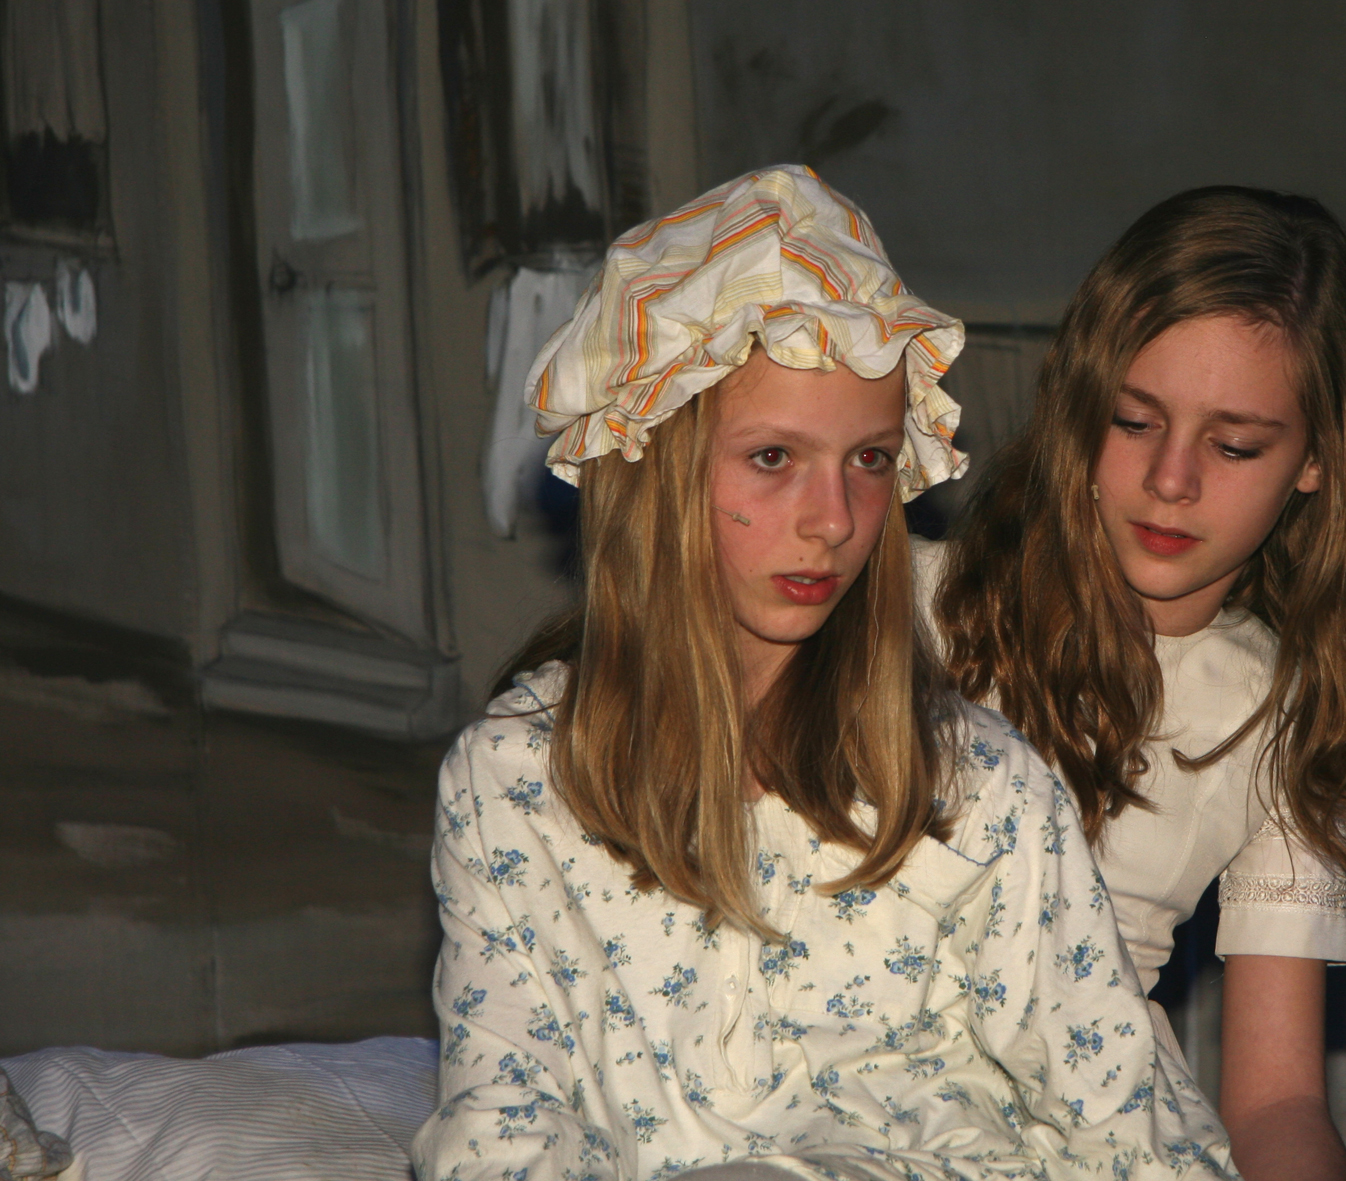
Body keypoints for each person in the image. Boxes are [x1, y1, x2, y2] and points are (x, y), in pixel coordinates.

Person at [410, 167, 1237, 1181]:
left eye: (869, 460)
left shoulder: (976, 787)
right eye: (772, 458)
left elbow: (1134, 1132)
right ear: (654, 468)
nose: (833, 520)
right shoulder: (513, 782)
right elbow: (504, 1128)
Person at [924, 187, 1346, 1181]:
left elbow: (1277, 1098)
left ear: (1318, 459)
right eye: (1132, 421)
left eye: (1233, 445)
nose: (1170, 479)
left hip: (1091, 1139)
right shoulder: (904, 609)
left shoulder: (1288, 715)